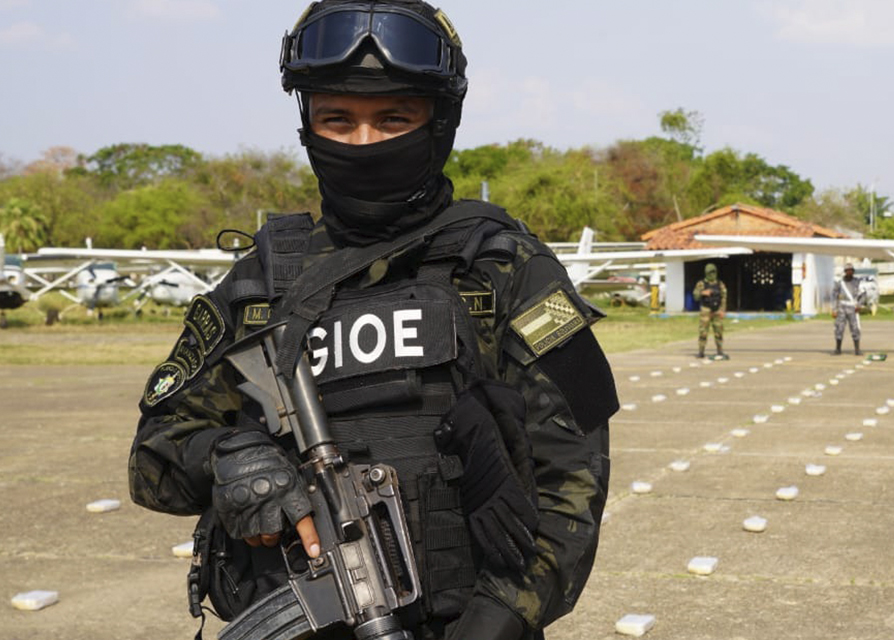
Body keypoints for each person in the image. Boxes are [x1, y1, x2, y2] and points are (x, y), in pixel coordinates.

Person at [127, 2, 616, 639]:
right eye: (338, 119)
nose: (363, 143)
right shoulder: (262, 285)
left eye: (393, 119)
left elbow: (575, 479)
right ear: (308, 125)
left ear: (437, 123)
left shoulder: (503, 268)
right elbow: (152, 458)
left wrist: (503, 614)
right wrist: (227, 456)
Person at [694, 263, 727, 359]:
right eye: (710, 272)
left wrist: (722, 310)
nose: (712, 274)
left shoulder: (720, 284)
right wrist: (702, 293)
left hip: (717, 310)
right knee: (703, 332)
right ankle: (701, 351)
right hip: (706, 310)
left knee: (718, 332)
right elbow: (695, 296)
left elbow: (724, 297)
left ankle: (720, 350)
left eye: (713, 272)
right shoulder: (701, 284)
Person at [831, 263, 863, 355]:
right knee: (839, 328)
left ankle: (857, 349)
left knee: (855, 328)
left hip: (853, 308)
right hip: (841, 308)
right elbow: (834, 296)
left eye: (851, 270)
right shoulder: (839, 283)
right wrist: (834, 309)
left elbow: (863, 294)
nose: (849, 272)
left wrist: (859, 305)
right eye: (847, 270)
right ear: (845, 272)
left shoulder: (858, 282)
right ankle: (838, 349)